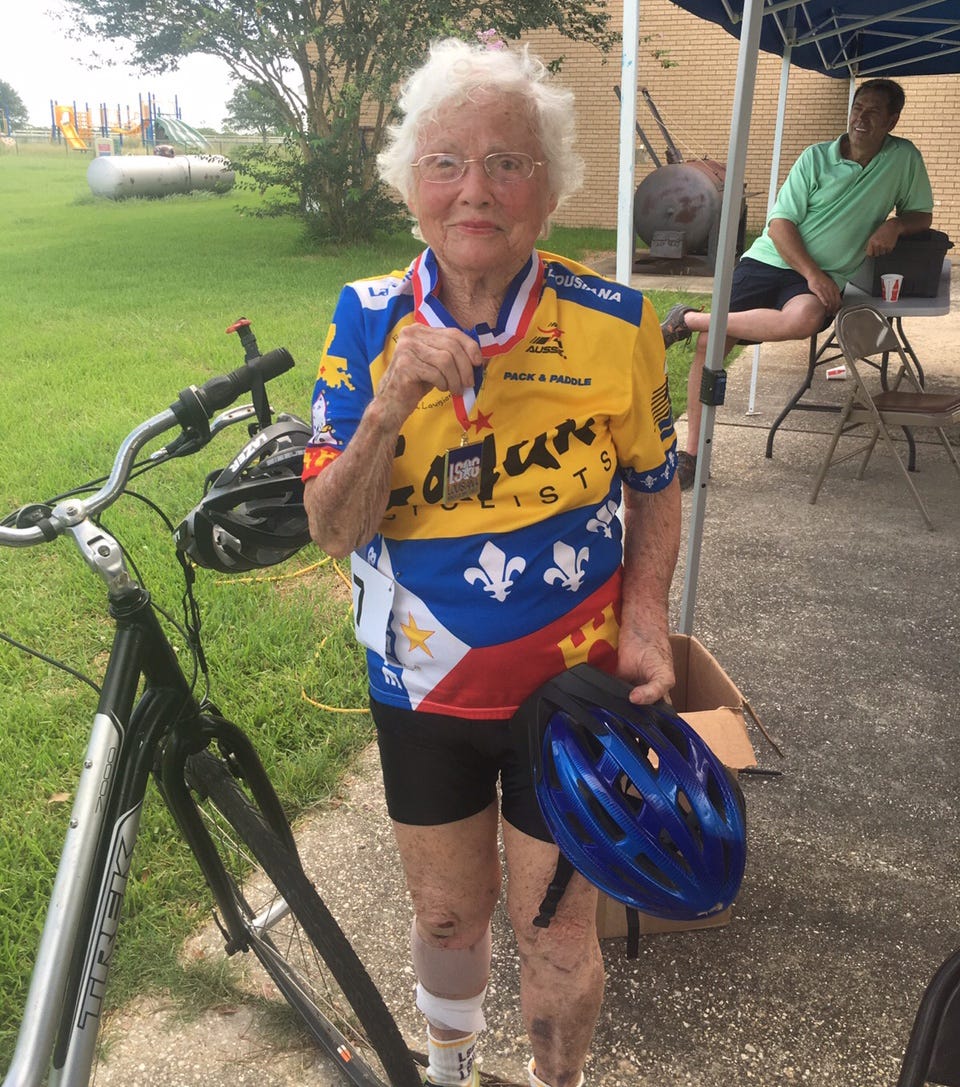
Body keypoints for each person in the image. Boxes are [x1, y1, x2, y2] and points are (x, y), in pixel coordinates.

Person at [301, 37, 681, 1087]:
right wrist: (389, 405)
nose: (477, 189)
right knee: (446, 912)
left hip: (575, 691)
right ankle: (453, 1071)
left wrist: (647, 613)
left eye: (509, 163)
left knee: (558, 937)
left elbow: (654, 479)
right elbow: (333, 530)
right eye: (447, 162)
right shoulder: (365, 318)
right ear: (410, 184)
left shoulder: (619, 324)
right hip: (423, 685)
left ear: (549, 191)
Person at [660, 77, 934, 490]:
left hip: (822, 278)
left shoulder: (903, 159)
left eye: (874, 111)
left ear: (892, 120)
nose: (862, 118)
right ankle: (693, 455)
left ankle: (691, 319)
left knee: (805, 319)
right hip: (772, 260)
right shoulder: (815, 158)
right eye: (858, 107)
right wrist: (813, 274)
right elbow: (780, 225)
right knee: (712, 346)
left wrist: (895, 225)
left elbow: (922, 215)